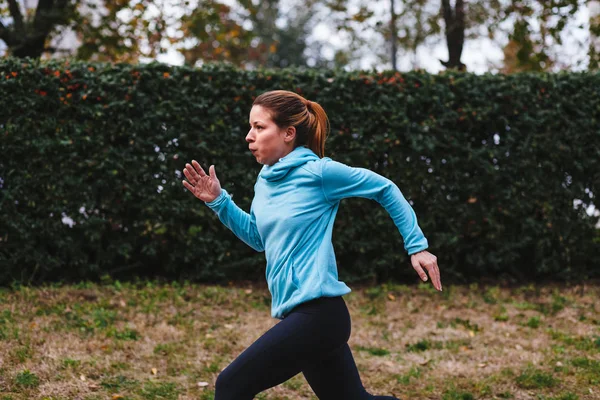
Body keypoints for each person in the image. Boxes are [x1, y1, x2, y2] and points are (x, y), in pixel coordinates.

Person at [181, 90, 442, 400]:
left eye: (259, 127)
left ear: (289, 133)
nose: (249, 137)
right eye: (250, 127)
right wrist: (219, 202)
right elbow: (257, 237)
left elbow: (384, 188)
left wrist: (417, 246)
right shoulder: (264, 180)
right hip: (302, 315)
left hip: (320, 316)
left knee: (231, 385)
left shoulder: (319, 173)